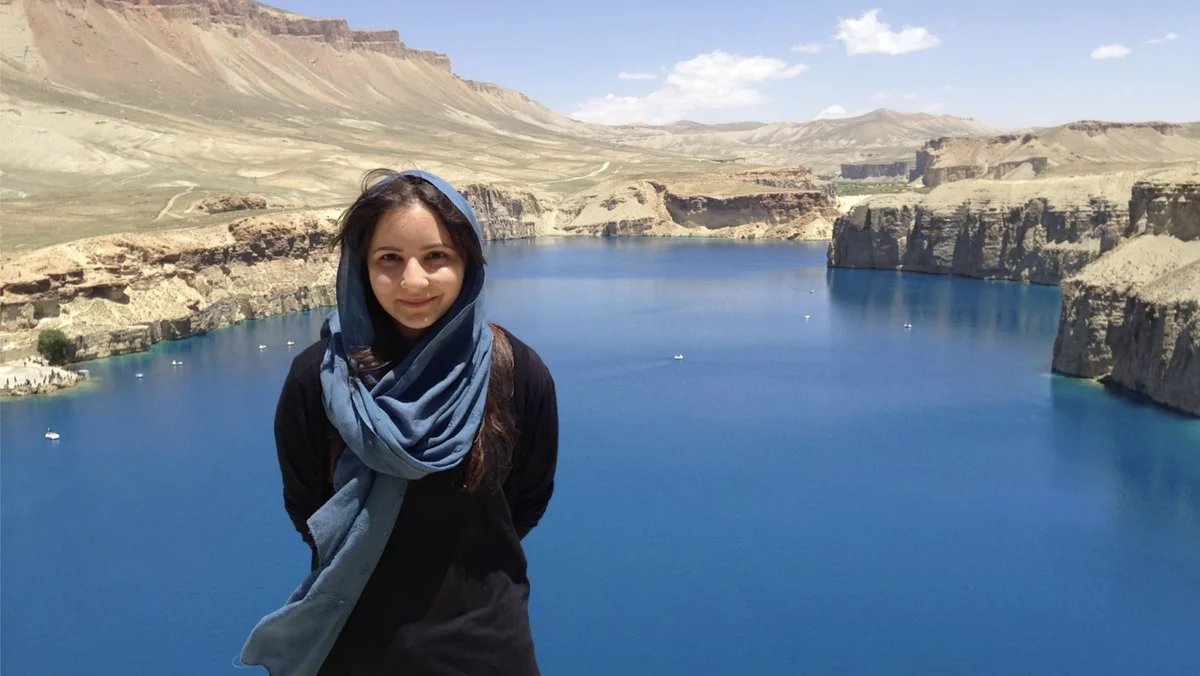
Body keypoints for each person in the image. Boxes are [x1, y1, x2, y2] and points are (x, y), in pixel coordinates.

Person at [238, 169, 559, 675]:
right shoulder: (319, 379)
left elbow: (528, 500)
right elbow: (306, 507)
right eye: (390, 259)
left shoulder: (517, 373)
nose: (414, 281)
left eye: (437, 257)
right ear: (360, 266)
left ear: (468, 265)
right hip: (352, 648)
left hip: (486, 649)